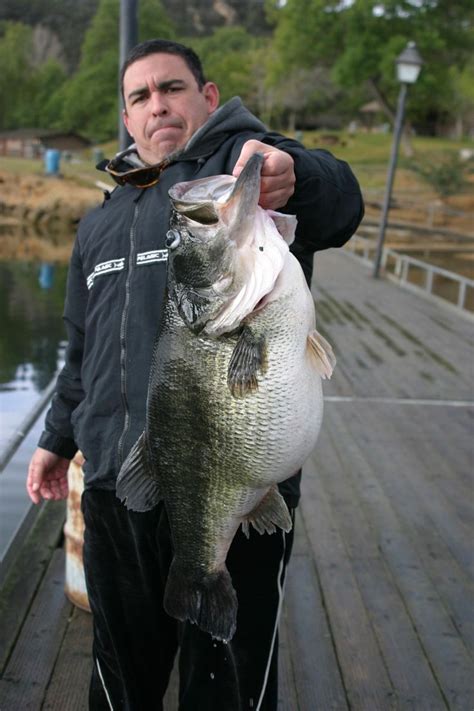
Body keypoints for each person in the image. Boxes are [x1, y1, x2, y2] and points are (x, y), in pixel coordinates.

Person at [26, 39, 364, 710]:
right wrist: (56, 437)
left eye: (172, 88)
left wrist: (297, 173)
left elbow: (339, 201)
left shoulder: (244, 175)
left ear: (208, 98)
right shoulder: (101, 220)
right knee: (122, 681)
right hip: (115, 485)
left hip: (231, 484)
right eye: (140, 96)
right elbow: (81, 346)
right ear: (127, 117)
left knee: (229, 689)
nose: (158, 106)